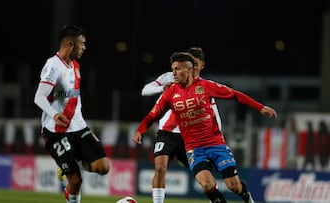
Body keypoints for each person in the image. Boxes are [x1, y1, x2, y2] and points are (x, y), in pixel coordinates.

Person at [132, 52, 277, 203]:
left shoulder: (206, 86)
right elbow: (152, 115)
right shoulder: (170, 93)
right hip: (194, 149)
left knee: (233, 186)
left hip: (216, 144)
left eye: (177, 69)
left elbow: (234, 94)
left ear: (189, 70)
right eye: (173, 69)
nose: (173, 73)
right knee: (207, 184)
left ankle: (245, 193)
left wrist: (260, 108)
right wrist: (140, 130)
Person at [34, 24, 110, 203]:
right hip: (56, 131)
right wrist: (54, 114)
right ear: (70, 44)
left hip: (78, 126)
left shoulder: (75, 66)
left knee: (103, 167)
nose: (84, 48)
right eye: (82, 44)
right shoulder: (52, 66)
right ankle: (69, 183)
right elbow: (39, 97)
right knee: (75, 181)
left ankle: (71, 163)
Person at [137, 47, 223, 203]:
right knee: (160, 167)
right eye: (191, 63)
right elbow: (145, 90)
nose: (193, 68)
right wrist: (162, 88)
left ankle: (215, 199)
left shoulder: (203, 87)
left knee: (205, 179)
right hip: (166, 133)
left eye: (196, 65)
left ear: (201, 65)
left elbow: (214, 114)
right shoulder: (170, 77)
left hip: (190, 138)